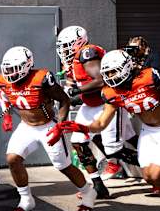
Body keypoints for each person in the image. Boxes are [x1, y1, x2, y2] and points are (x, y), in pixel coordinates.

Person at [49, 49, 160, 211]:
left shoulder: (148, 77)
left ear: (127, 67)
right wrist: (81, 127)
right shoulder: (112, 92)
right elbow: (101, 124)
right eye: (107, 73)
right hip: (148, 131)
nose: (111, 76)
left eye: (114, 71)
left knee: (157, 174)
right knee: (150, 178)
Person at [0, 46, 97, 211]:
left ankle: (88, 191)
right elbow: (4, 96)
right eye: (7, 69)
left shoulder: (42, 78)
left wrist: (60, 125)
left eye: (14, 69)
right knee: (12, 159)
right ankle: (26, 199)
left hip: (48, 125)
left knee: (63, 166)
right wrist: (6, 115)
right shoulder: (3, 80)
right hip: (26, 126)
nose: (10, 74)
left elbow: (64, 100)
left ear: (26, 66)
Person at [56, 26, 136, 192]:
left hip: (108, 103)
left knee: (116, 150)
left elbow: (101, 81)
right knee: (78, 142)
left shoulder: (87, 53)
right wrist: (74, 95)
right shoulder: (73, 61)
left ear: (79, 41)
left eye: (67, 45)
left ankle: (155, 169)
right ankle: (98, 186)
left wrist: (75, 91)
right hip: (91, 105)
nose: (64, 50)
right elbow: (82, 85)